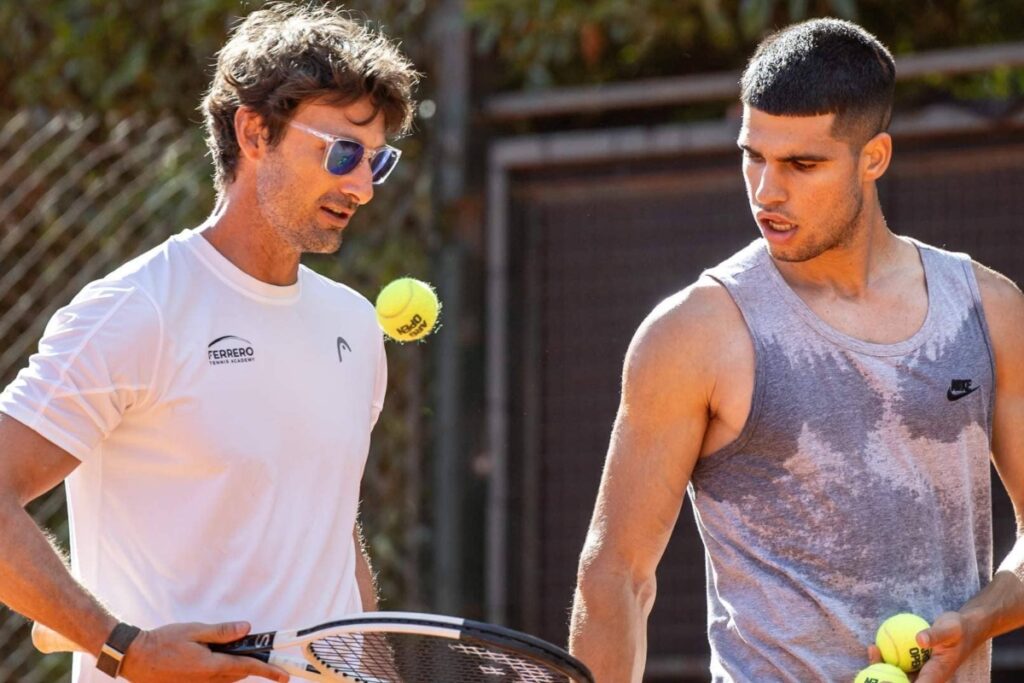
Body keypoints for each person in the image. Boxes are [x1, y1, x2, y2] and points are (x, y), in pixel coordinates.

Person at [568, 17, 1024, 683]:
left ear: (874, 158)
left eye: (802, 164)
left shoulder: (989, 310)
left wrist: (978, 617)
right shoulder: (694, 333)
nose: (766, 191)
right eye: (753, 155)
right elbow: (615, 575)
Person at [0, 3, 418, 682]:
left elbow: (329, 533)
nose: (363, 187)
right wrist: (120, 647)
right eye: (343, 152)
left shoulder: (354, 326)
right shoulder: (137, 310)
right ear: (255, 132)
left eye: (378, 161)